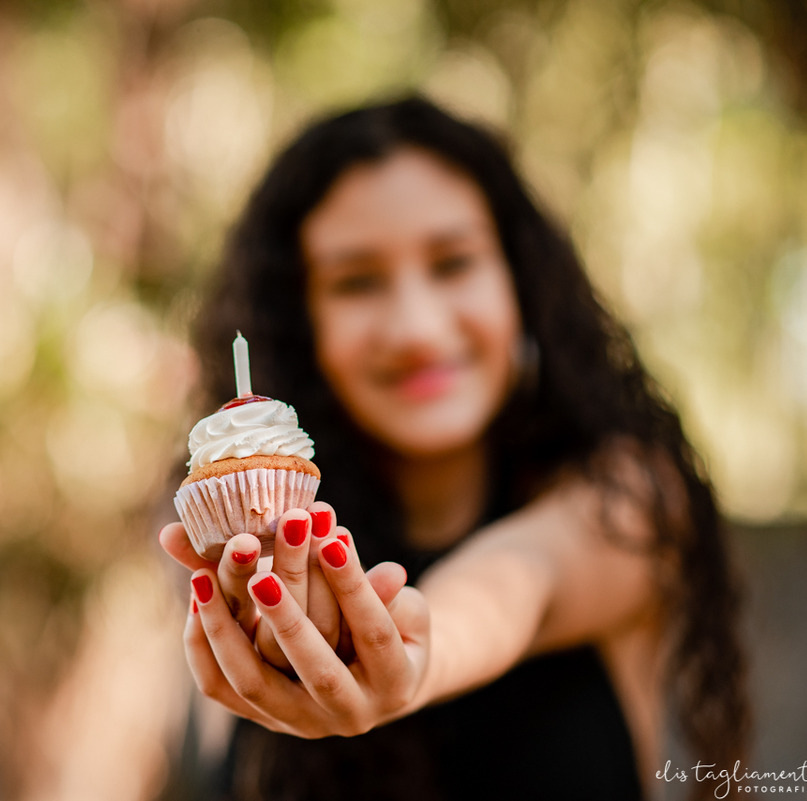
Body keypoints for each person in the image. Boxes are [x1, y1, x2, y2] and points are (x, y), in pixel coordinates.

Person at [158, 95, 750, 801]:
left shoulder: (625, 501)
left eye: (453, 262)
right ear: (299, 322)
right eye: (356, 281)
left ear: (522, 285)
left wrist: (405, 655)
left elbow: (521, 582)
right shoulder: (246, 570)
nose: (416, 325)